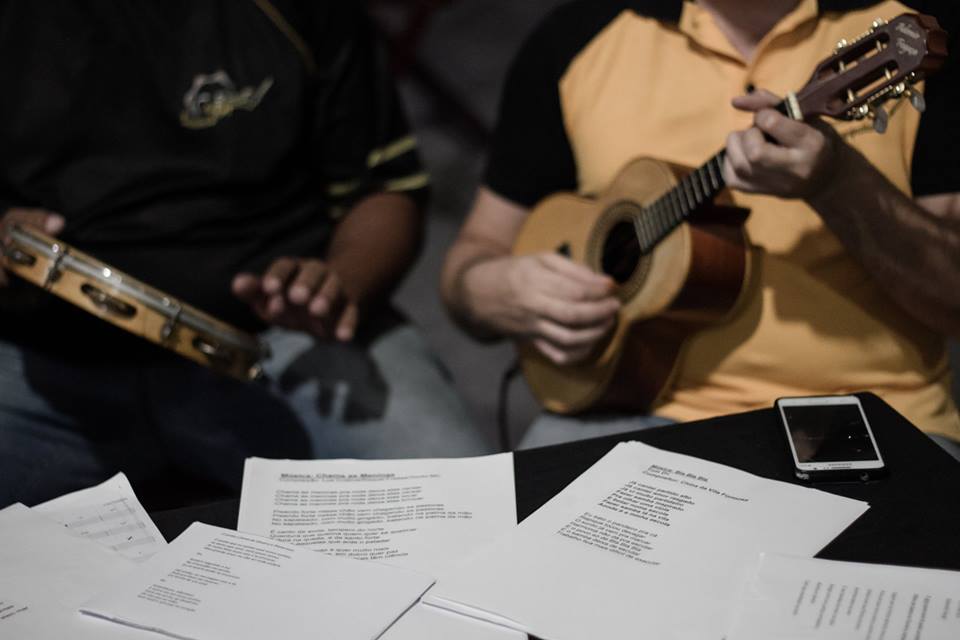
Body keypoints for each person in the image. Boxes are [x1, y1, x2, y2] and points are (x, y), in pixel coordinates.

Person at [0, 0, 489, 508]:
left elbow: (386, 188)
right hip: (41, 355)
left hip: (283, 340)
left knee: (464, 503)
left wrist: (339, 283)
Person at [441, 0, 960, 457]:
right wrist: (495, 290)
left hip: (865, 417)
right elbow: (472, 259)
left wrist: (837, 183)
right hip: (622, 404)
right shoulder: (576, 36)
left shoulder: (908, 30)